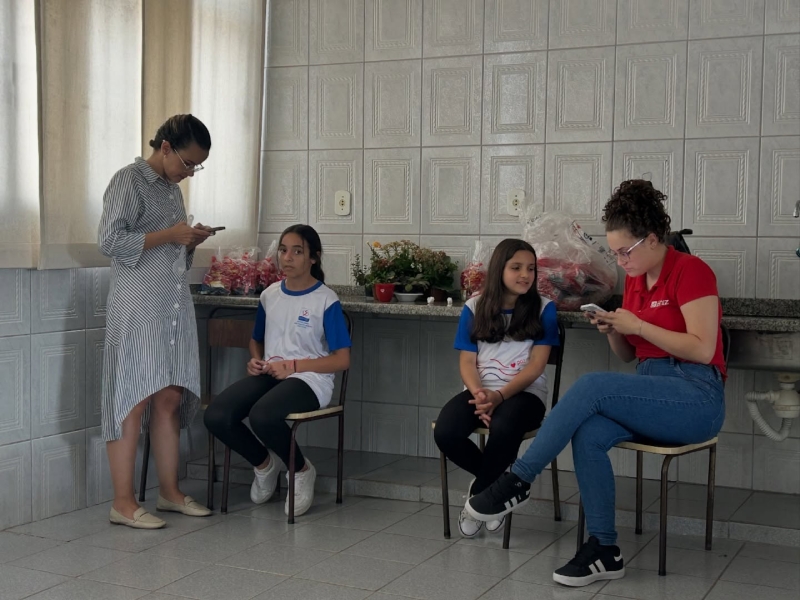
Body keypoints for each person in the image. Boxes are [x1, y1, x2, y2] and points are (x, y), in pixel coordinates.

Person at [466, 180, 726, 587]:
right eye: (615, 253)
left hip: (696, 397)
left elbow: (703, 348)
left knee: (591, 386)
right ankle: (605, 550)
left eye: (625, 252)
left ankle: (518, 479)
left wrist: (638, 325)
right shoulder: (636, 281)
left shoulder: (692, 271)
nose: (620, 261)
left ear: (652, 239)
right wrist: (613, 329)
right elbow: (628, 356)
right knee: (588, 433)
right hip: (652, 389)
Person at [99, 114, 219, 529]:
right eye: (188, 163)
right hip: (137, 306)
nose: (190, 172)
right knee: (132, 397)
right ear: (165, 147)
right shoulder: (128, 180)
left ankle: (169, 492)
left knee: (169, 395)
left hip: (172, 305)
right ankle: (123, 502)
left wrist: (190, 240)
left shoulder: (172, 190)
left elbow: (171, 251)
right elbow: (109, 241)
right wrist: (171, 235)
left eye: (197, 167)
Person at [204, 224, 351, 517]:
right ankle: (264, 464)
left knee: (263, 415)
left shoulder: (326, 300)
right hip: (271, 374)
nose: (287, 257)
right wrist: (256, 359)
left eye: (297, 251)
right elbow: (255, 340)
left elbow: (342, 360)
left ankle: (301, 470)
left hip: (310, 380)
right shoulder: (270, 295)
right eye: (283, 250)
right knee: (217, 415)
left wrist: (293, 366)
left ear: (313, 258)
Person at [434, 238, 560, 538]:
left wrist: (500, 396)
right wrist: (480, 395)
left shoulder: (545, 308)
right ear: (498, 270)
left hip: (526, 394)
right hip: (480, 391)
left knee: (504, 427)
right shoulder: (474, 306)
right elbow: (467, 362)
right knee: (446, 432)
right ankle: (499, 485)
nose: (525, 275)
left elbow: (536, 366)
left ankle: (479, 499)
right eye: (516, 267)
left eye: (531, 268)